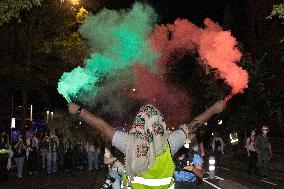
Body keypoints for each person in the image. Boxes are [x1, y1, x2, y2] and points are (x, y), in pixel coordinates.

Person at [68, 101, 225, 189]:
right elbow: (192, 126)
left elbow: (102, 126)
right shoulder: (169, 142)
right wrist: (213, 109)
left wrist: (79, 111)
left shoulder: (129, 143)